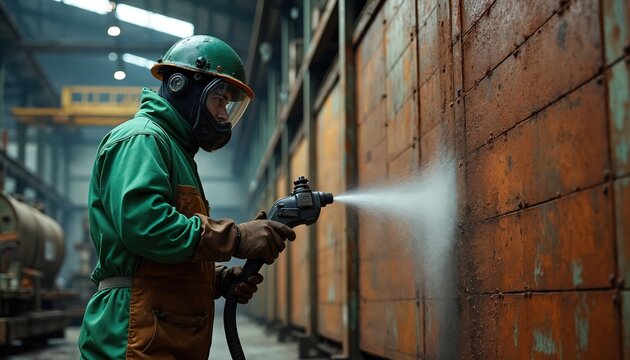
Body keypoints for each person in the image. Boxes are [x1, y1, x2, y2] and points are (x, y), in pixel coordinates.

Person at [78, 35, 296, 359]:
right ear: (182, 85)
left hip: (160, 333)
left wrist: (218, 281)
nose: (223, 115)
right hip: (133, 333)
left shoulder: (176, 151)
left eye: (227, 105)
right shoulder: (143, 139)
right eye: (219, 100)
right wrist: (235, 237)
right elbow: (146, 227)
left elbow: (163, 259)